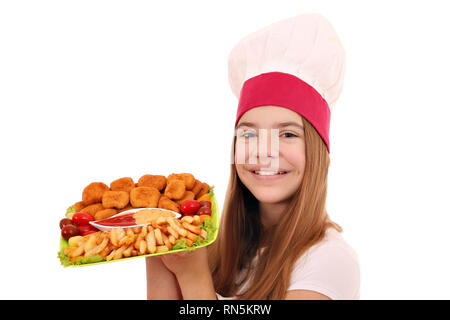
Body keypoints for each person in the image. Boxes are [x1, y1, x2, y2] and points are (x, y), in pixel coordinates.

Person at [146, 13, 360, 300]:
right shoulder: (213, 247)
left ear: (318, 151)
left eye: (287, 134)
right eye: (249, 134)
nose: (264, 151)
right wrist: (153, 249)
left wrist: (192, 275)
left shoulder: (329, 261)